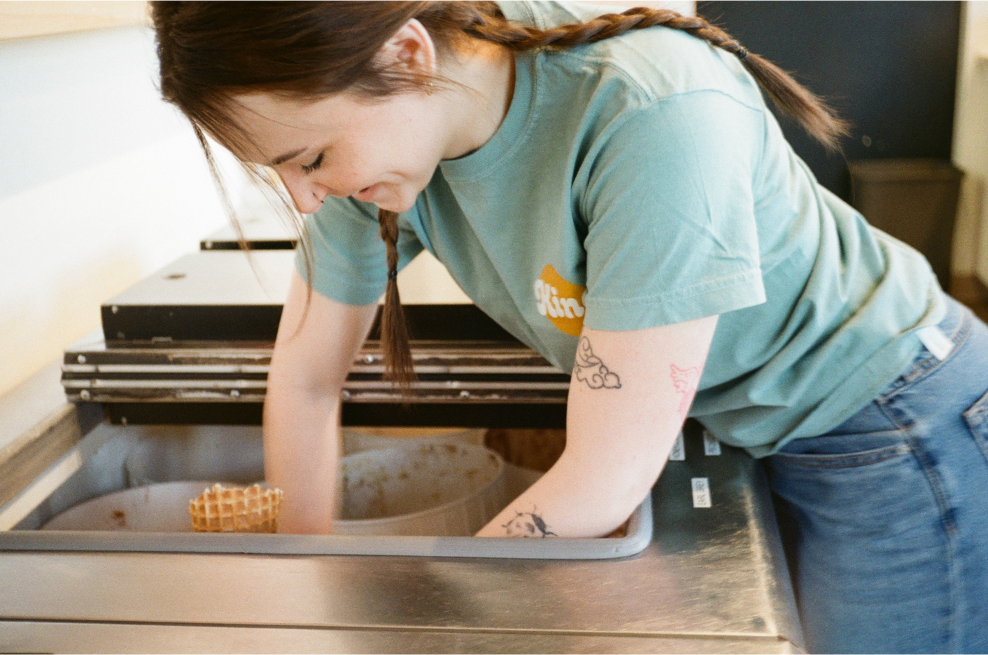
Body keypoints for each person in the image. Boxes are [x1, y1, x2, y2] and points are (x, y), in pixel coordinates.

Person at [150, 2, 988, 652]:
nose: (305, 197)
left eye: (309, 160)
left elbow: (603, 476)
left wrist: (429, 616)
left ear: (406, 54)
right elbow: (304, 377)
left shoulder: (650, 110)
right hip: (742, 420)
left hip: (896, 417)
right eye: (281, 170)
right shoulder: (372, 148)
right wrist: (311, 598)